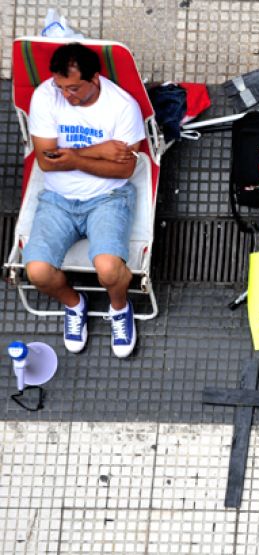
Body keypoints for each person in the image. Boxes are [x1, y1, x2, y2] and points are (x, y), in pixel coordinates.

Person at [23, 43, 146, 358]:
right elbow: (47, 161)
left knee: (108, 268)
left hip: (108, 196)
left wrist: (73, 157)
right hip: (57, 199)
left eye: (74, 88)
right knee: (36, 271)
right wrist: (100, 150)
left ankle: (119, 308)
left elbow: (126, 167)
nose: (67, 95)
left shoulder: (122, 106)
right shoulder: (46, 95)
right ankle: (74, 304)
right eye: (61, 87)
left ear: (95, 78)